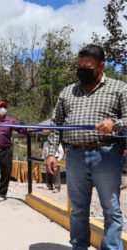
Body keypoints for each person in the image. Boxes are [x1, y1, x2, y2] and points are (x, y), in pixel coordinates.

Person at [45, 44, 127, 250]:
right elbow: (56, 124)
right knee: (78, 209)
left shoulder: (119, 88)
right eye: (79, 66)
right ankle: (79, 246)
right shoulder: (68, 91)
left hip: (107, 154)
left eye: (87, 67)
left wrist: (115, 125)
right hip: (75, 156)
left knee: (111, 209)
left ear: (101, 65)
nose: (82, 70)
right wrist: (51, 153)